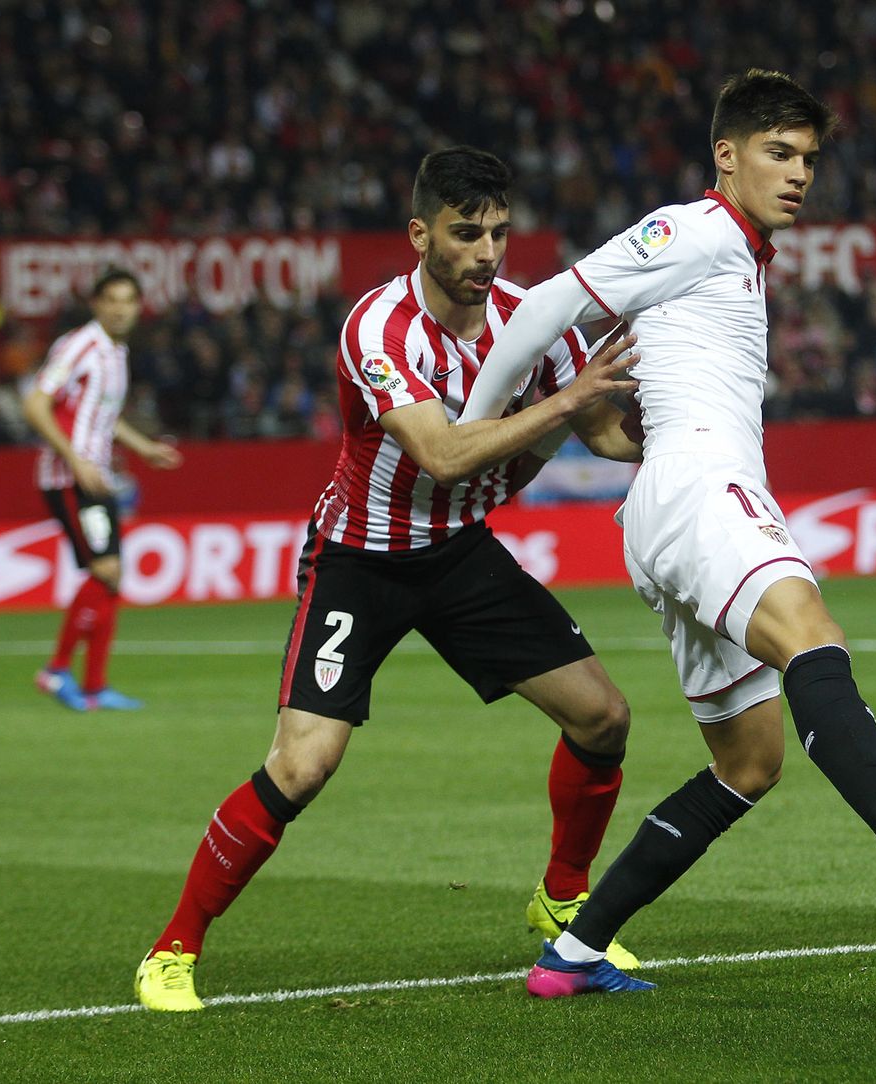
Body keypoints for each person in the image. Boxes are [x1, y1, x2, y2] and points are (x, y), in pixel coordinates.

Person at [461, 70, 876, 998]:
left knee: (750, 760)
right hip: (697, 486)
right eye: (778, 153)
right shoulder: (696, 228)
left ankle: (576, 951)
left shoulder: (739, 252)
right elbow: (547, 307)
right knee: (810, 629)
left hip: (671, 502)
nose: (798, 173)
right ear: (728, 155)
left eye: (807, 158)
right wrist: (476, 434)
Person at [133, 147, 646, 1011]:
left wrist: (686, 438)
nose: (486, 253)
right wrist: (561, 403)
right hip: (361, 561)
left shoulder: (530, 319)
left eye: (498, 233)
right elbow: (442, 454)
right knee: (302, 767)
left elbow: (602, 433)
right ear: (420, 234)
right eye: (465, 234)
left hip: (458, 555)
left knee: (603, 717)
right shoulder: (378, 328)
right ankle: (172, 950)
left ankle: (562, 898)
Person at [22, 268, 184, 711]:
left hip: (97, 474)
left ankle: (94, 686)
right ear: (96, 303)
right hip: (70, 476)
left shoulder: (116, 351)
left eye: (128, 300)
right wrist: (74, 458)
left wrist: (144, 447)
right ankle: (56, 671)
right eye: (111, 299)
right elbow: (35, 403)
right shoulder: (80, 345)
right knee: (107, 570)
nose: (120, 308)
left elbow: (105, 417)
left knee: (111, 579)